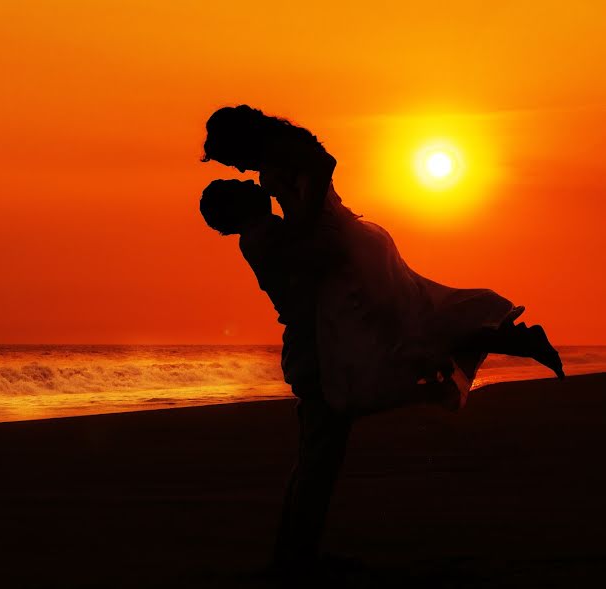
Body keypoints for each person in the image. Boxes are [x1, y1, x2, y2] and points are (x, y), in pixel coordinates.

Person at [199, 105, 564, 582]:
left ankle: (295, 559)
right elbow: (311, 202)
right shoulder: (267, 228)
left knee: (397, 347)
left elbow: (318, 188)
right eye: (236, 180)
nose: (245, 176)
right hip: (344, 263)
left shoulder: (276, 218)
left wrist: (310, 220)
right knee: (407, 334)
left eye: (236, 169)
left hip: (346, 262)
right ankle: (496, 336)